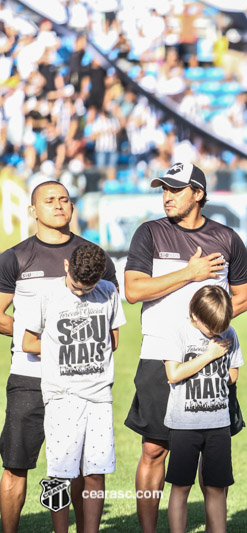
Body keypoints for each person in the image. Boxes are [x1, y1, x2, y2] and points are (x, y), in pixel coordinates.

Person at [124, 162, 247, 533]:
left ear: (198, 193)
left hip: (213, 360)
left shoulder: (227, 238)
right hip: (159, 355)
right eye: (163, 189)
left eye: (175, 189)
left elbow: (243, 296)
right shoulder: (149, 233)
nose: (167, 196)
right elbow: (134, 290)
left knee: (209, 449)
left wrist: (211, 327)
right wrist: (189, 273)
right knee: (153, 450)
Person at [0, 181, 118, 533]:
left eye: (64, 199)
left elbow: (109, 323)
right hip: (29, 377)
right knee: (15, 466)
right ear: (33, 211)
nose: (58, 205)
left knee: (85, 468)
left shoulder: (94, 255)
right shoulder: (15, 257)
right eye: (49, 200)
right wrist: (46, 339)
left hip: (82, 384)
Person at [19, 243, 123, 533]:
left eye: (87, 289)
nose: (81, 293)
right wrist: (60, 345)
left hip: (100, 396)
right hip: (62, 396)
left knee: (96, 472)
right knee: (59, 475)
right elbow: (28, 343)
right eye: (77, 287)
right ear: (67, 266)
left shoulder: (109, 292)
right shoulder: (47, 294)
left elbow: (113, 339)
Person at [162, 286, 243, 533]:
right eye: (211, 330)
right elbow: (173, 374)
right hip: (185, 425)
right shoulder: (178, 331)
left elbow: (233, 374)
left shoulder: (229, 332)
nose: (216, 334)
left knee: (216, 488)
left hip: (218, 424)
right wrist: (209, 356)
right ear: (195, 315)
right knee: (181, 486)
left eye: (221, 328)